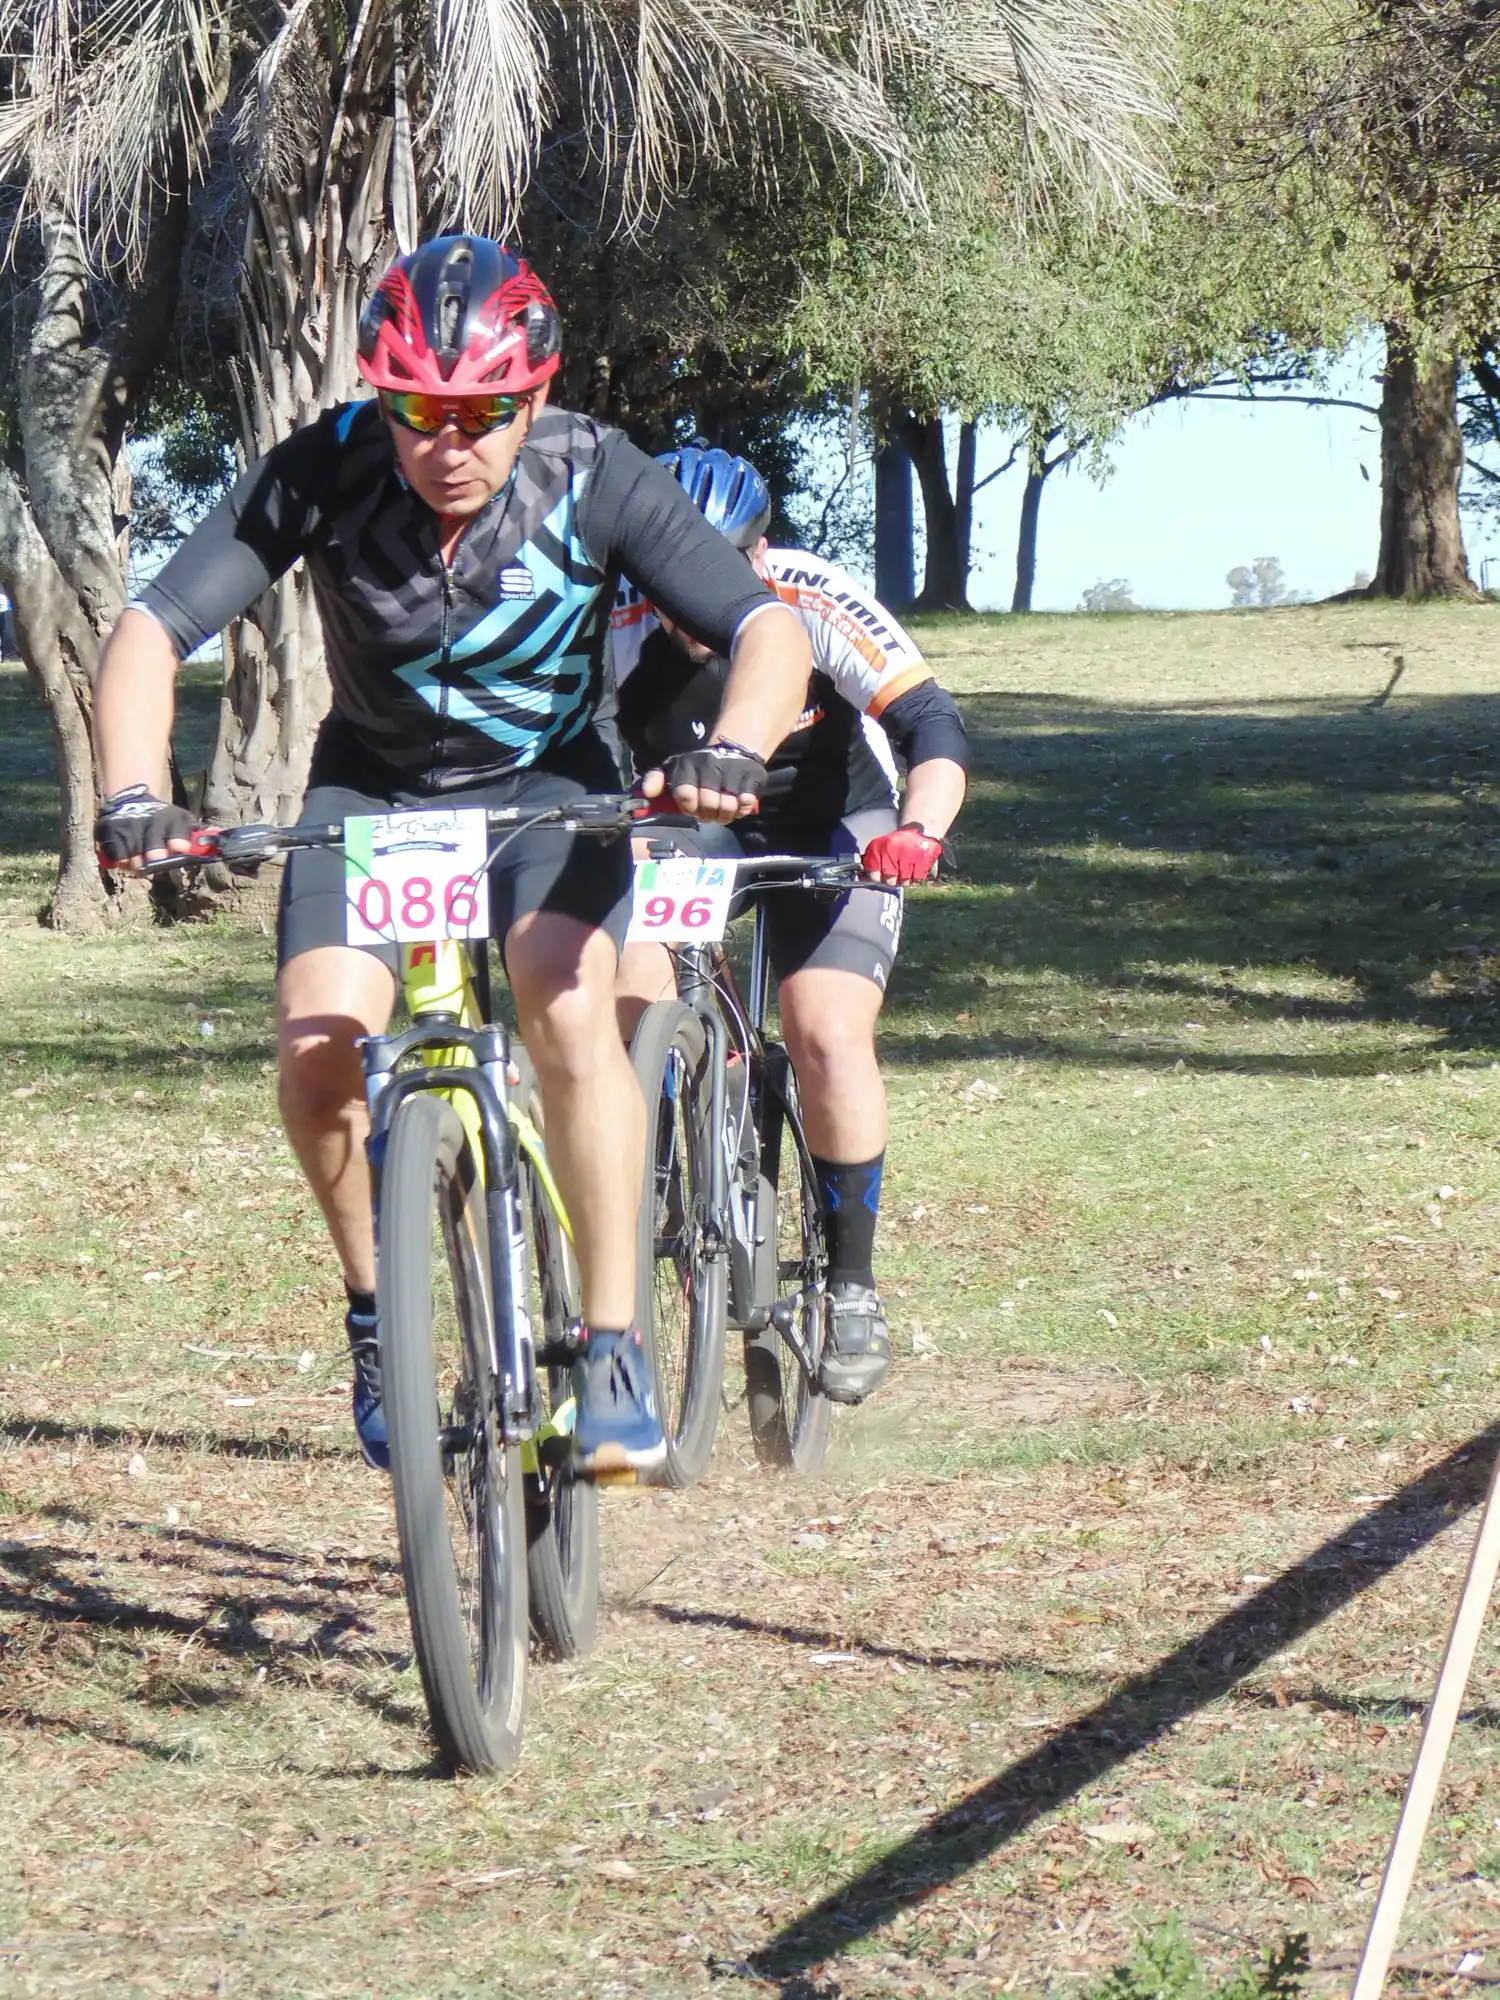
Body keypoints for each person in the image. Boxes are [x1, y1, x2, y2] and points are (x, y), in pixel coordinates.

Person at [90, 239, 812, 1484]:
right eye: (418, 408)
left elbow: (764, 624)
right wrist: (135, 793)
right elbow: (156, 622)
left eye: (484, 413)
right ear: (382, 394)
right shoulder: (325, 467)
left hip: (547, 785)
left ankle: (614, 1347)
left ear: (535, 395)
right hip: (372, 787)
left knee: (566, 999)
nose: (450, 442)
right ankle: (382, 1314)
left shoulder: (597, 473)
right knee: (320, 1057)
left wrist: (737, 750)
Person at [611, 446, 968, 1406]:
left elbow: (932, 724)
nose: (686, 606)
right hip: (691, 819)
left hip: (834, 827)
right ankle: (690, 1093)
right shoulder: (614, 613)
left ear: (757, 551)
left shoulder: (813, 595)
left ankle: (851, 1286)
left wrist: (921, 829)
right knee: (628, 993)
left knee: (823, 1027)